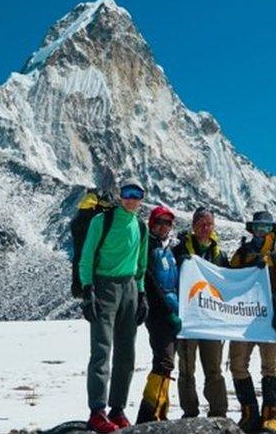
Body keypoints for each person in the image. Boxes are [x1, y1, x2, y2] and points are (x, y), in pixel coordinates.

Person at [78, 178, 150, 433]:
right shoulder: (102, 221)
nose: (132, 199)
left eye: (137, 194)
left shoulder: (140, 227)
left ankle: (117, 409)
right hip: (104, 286)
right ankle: (97, 411)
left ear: (142, 198)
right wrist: (88, 291)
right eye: (128, 193)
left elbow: (141, 266)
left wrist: (141, 295)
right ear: (120, 195)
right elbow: (86, 258)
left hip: (129, 287)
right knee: (101, 349)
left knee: (126, 353)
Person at [228, 211, 276, 433]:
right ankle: (249, 413)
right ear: (251, 229)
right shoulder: (242, 253)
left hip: (269, 321)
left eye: (265, 228)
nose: (260, 232)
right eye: (257, 227)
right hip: (244, 319)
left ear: (272, 230)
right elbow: (229, 281)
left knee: (270, 367)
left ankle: (270, 416)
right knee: (237, 365)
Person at [171, 207, 229, 418]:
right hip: (188, 320)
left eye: (209, 224)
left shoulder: (219, 255)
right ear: (193, 226)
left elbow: (229, 284)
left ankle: (218, 413)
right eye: (201, 224)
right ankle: (190, 412)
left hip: (212, 321)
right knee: (186, 369)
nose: (205, 228)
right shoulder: (179, 252)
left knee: (214, 369)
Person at [135, 205, 182, 424]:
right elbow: (152, 284)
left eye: (168, 222)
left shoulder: (168, 250)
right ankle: (148, 414)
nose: (163, 226)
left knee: (167, 362)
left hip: (173, 311)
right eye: (159, 222)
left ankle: (161, 410)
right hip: (158, 314)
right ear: (151, 224)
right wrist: (167, 312)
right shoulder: (148, 248)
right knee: (163, 361)